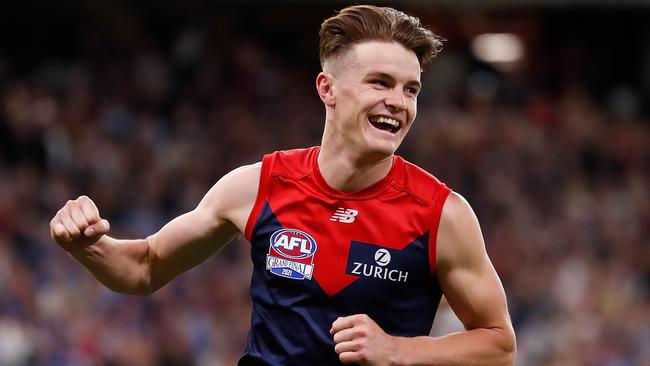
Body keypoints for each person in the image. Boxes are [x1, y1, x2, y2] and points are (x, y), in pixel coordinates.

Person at [50, 5, 516, 365]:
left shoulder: (441, 213)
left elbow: (498, 345)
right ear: (327, 89)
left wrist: (402, 351)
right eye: (380, 83)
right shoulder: (257, 186)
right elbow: (146, 268)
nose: (398, 103)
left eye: (410, 89)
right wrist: (87, 246)